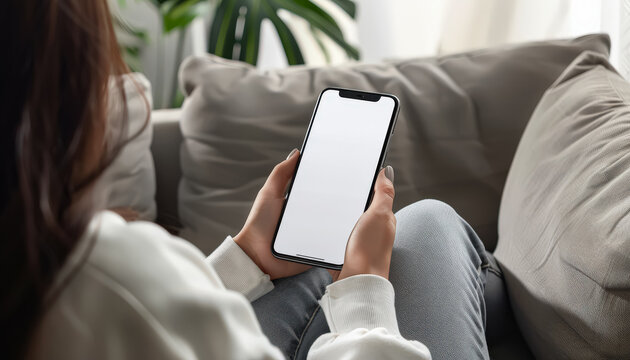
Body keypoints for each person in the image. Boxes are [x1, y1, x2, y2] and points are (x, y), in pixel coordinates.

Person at [1, 1, 497, 359]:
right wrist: (366, 290)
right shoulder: (99, 271)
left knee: (313, 265)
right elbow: (134, 306)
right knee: (429, 224)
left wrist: (244, 261)